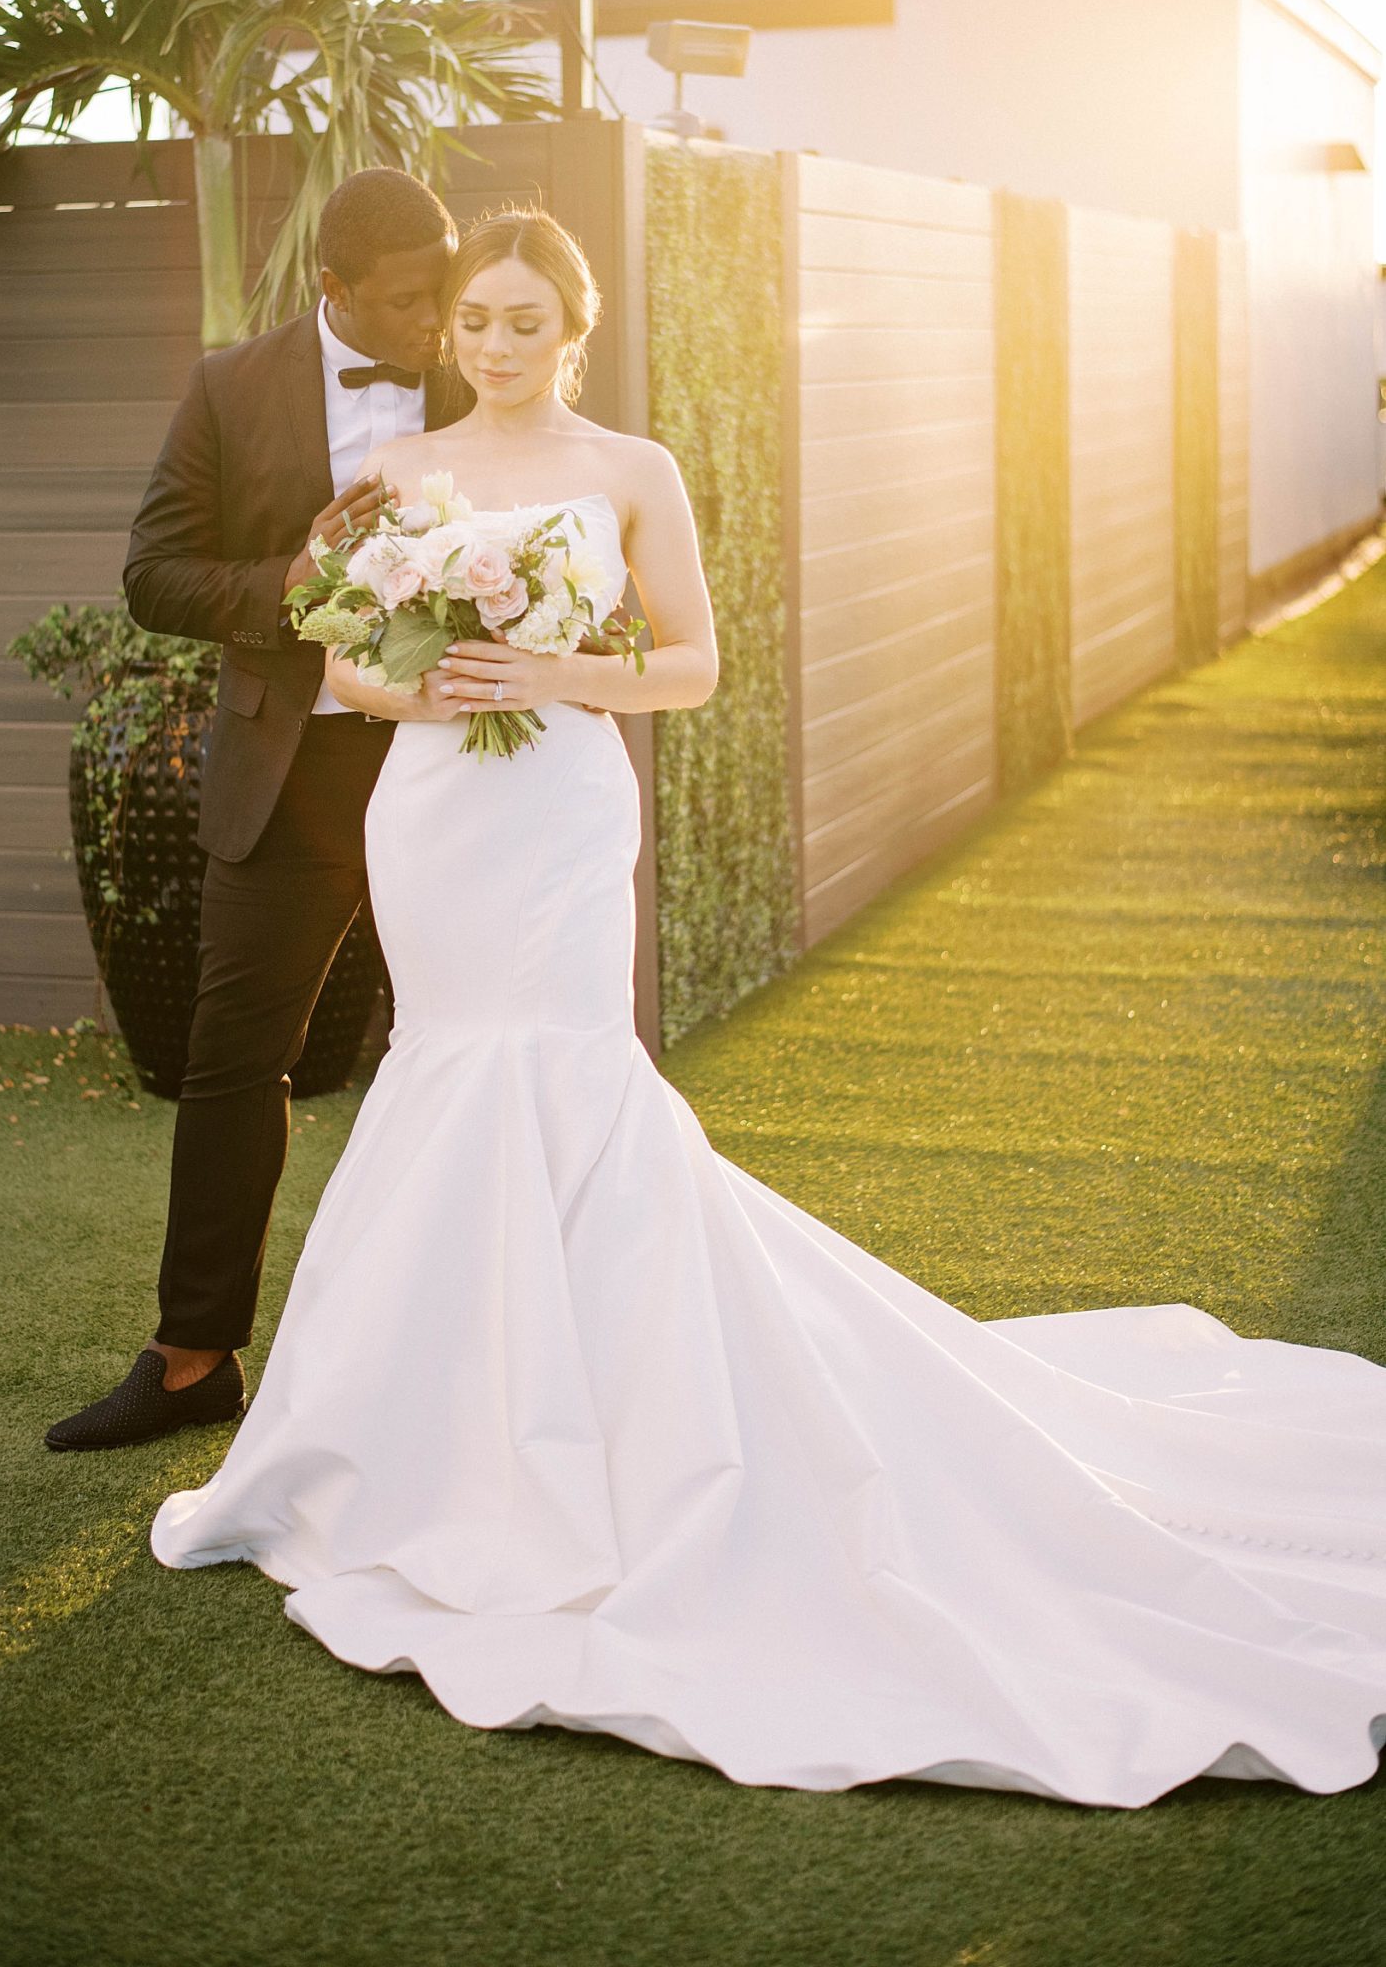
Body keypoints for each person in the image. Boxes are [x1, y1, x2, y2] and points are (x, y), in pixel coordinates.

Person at [149, 208, 1386, 1808]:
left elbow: (691, 665)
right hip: (435, 812)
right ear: (447, 331)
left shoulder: (631, 468)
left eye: (526, 320)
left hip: (561, 816)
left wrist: (554, 674)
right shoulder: (396, 475)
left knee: (568, 1077)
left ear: (573, 330)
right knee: (445, 1070)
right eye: (475, 321)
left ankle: (619, 1444)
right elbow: (348, 658)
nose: (496, 344)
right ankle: (416, 1450)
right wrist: (424, 676)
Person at [44, 168, 467, 1453]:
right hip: (292, 777)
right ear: (330, 290)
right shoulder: (231, 387)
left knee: (473, 1050)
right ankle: (190, 1362)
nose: (441, 319)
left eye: (446, 286)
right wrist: (288, 581)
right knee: (234, 1064)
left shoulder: (485, 370)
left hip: (452, 769)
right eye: (410, 299)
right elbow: (151, 576)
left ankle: (472, 1366)